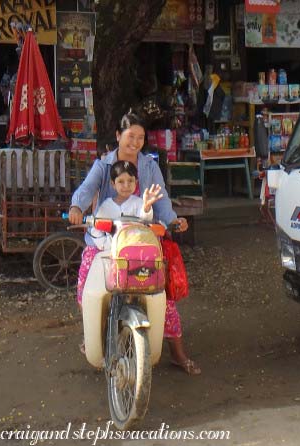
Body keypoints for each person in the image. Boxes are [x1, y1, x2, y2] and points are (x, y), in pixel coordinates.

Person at [69, 112, 201, 375]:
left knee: (163, 297)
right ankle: (94, 335)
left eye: (141, 138)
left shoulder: (149, 166)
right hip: (106, 241)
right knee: (86, 288)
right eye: (131, 136)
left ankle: (177, 352)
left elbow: (160, 199)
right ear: (118, 136)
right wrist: (76, 206)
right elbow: (85, 190)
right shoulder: (103, 166)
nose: (136, 142)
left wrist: (173, 221)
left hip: (139, 241)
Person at [90, 160, 163, 251]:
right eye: (121, 181)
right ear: (113, 184)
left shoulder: (139, 203)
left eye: (130, 181)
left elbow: (145, 222)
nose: (126, 185)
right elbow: (96, 229)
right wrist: (106, 245)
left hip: (136, 251)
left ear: (136, 182)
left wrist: (146, 207)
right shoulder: (106, 206)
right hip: (111, 252)